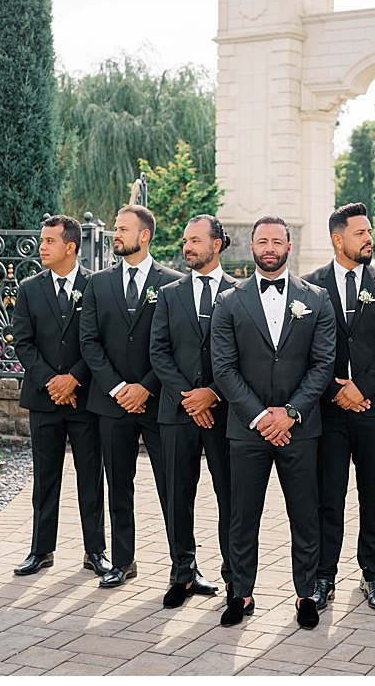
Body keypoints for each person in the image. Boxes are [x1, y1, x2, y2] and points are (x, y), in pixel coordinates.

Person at [211, 216, 336, 629]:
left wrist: (291, 413)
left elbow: (322, 365)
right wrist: (263, 417)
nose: (269, 247)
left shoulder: (316, 299)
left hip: (300, 429)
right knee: (243, 515)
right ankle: (241, 593)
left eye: (276, 241)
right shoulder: (229, 301)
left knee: (305, 514)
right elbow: (224, 368)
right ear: (251, 248)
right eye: (261, 241)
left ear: (288, 246)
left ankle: (306, 595)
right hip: (247, 429)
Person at [303, 203, 375, 612]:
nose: (369, 239)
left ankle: (374, 575)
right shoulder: (309, 287)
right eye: (361, 232)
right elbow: (305, 350)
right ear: (337, 239)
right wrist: (336, 391)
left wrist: (361, 388)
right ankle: (323, 576)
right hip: (328, 413)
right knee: (327, 498)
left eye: (370, 232)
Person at [79, 205, 189, 588]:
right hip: (110, 403)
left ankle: (184, 567)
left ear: (145, 235)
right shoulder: (97, 283)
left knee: (172, 486)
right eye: (114, 228)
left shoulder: (173, 282)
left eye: (123, 229)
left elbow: (177, 345)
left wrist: (147, 386)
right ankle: (122, 561)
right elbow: (89, 342)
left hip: (160, 402)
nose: (115, 235)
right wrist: (117, 388)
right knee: (118, 485)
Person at [12, 215, 109, 577]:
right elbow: (23, 342)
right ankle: (41, 551)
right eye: (42, 240)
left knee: (90, 478)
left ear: (70, 246)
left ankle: (95, 551)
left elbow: (101, 340)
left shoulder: (96, 285)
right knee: (45, 477)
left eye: (49, 241)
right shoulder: (28, 288)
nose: (42, 247)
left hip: (86, 400)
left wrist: (74, 379)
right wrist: (52, 382)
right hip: (43, 399)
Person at [150, 215, 237, 609]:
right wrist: (190, 397)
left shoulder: (241, 293)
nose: (187, 247)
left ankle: (235, 576)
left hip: (224, 415)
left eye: (195, 240)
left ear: (217, 244)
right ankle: (182, 573)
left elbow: (244, 357)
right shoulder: (169, 294)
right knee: (176, 496)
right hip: (177, 412)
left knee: (231, 498)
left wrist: (213, 395)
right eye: (185, 241)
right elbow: (159, 352)